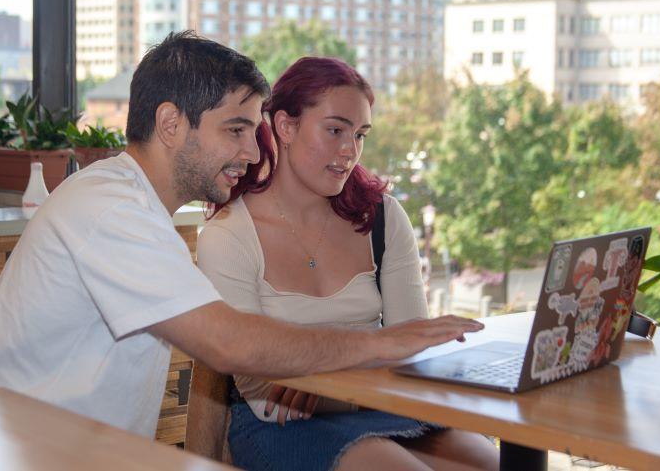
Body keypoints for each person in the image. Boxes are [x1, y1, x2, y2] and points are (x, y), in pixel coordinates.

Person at [0, 32, 482, 442]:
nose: (253, 154)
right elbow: (229, 344)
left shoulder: (140, 211)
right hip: (19, 455)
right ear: (170, 124)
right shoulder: (109, 208)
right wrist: (381, 342)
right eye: (235, 130)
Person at [197, 57, 499, 471]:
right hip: (283, 428)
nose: (349, 151)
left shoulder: (383, 219)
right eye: (335, 130)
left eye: (360, 135)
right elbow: (263, 390)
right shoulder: (229, 233)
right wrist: (365, 369)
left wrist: (324, 386)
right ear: (285, 127)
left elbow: (410, 355)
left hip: (390, 403)